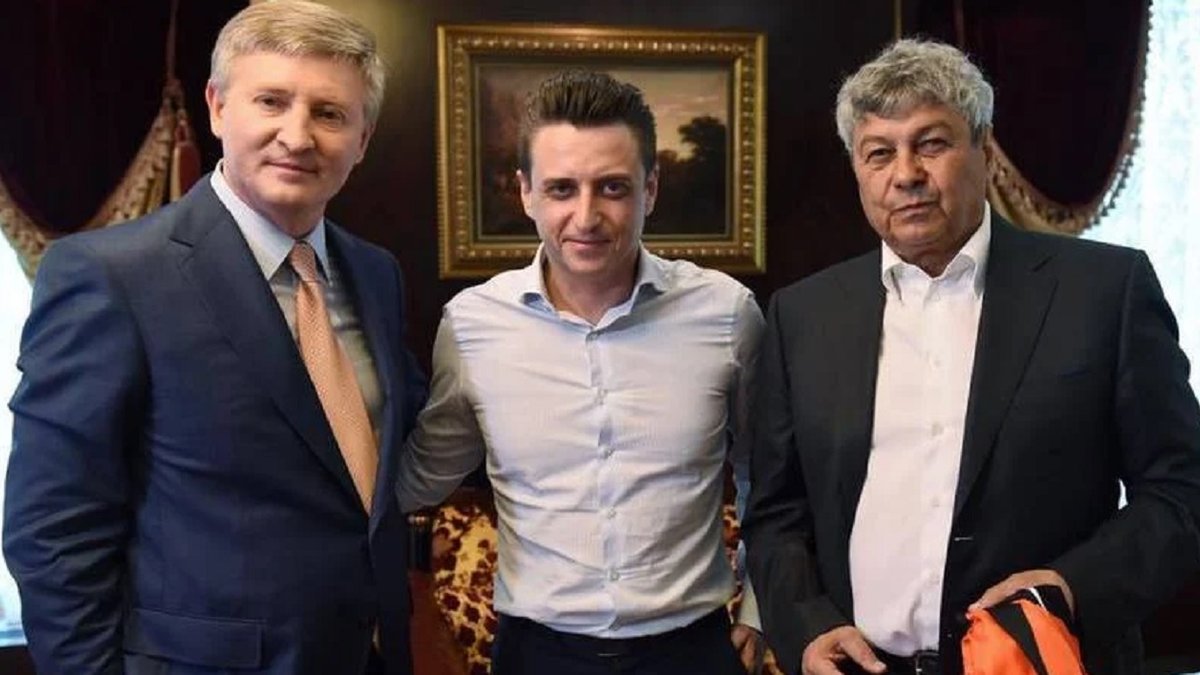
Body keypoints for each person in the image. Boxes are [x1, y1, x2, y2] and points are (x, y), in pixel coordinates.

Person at [743, 38, 1200, 675]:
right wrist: (806, 628)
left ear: (984, 149)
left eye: (931, 144)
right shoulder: (803, 315)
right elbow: (777, 513)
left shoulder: (1105, 291)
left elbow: (1180, 491)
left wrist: (1071, 590)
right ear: (858, 170)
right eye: (879, 153)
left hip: (1044, 662)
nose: (906, 174)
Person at [3, 2, 426, 673]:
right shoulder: (112, 275)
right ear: (218, 107)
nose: (298, 136)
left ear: (363, 138)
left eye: (329, 113)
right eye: (271, 101)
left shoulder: (376, 273)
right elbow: (52, 530)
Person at [397, 70, 765, 674]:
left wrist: (759, 606)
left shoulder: (727, 313)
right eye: (562, 189)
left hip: (691, 651)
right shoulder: (470, 325)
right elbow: (423, 473)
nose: (586, 216)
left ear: (650, 189)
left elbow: (766, 477)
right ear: (526, 192)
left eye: (612, 187)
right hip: (536, 653)